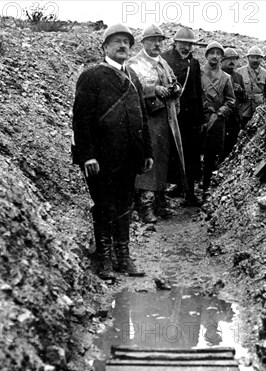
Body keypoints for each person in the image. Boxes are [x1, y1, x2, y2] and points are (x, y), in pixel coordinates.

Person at [72, 23, 153, 279]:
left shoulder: (133, 77)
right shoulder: (92, 76)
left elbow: (142, 117)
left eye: (127, 42)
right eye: (117, 41)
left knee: (124, 206)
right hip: (101, 159)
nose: (123, 46)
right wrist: (87, 155)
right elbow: (81, 120)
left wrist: (147, 152)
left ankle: (123, 257)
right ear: (105, 47)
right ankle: (104, 259)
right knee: (104, 205)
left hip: (128, 157)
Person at [128, 25, 186, 223]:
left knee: (163, 160)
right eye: (152, 40)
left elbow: (173, 81)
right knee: (149, 160)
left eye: (160, 40)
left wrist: (175, 88)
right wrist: (154, 89)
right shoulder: (134, 64)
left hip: (167, 119)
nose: (157, 43)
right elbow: (132, 89)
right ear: (143, 42)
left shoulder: (163, 62)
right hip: (147, 120)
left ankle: (159, 200)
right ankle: (145, 205)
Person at [161, 26, 205, 206]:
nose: (185, 48)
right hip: (170, 114)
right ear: (175, 43)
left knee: (191, 154)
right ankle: (164, 194)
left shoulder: (193, 64)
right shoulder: (164, 60)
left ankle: (190, 193)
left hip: (189, 117)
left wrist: (200, 118)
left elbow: (196, 91)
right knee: (168, 154)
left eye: (189, 44)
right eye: (182, 44)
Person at [200, 41, 235, 197]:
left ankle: (207, 188)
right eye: (211, 53)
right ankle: (189, 191)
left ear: (222, 57)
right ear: (206, 55)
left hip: (218, 121)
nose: (215, 56)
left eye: (218, 54)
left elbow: (231, 101)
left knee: (212, 155)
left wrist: (220, 113)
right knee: (194, 153)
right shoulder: (198, 73)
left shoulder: (226, 77)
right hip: (200, 119)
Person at [236, 45, 266, 127]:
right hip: (243, 110)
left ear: (261, 59)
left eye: (258, 57)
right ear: (248, 58)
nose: (255, 60)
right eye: (252, 57)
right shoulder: (239, 72)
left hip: (259, 110)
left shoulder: (265, 74)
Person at [220, 47, 247, 162]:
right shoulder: (219, 75)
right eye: (229, 59)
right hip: (221, 113)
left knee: (232, 140)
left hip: (234, 116)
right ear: (222, 61)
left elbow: (244, 99)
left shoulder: (238, 77)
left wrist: (240, 91)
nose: (232, 62)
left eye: (234, 59)